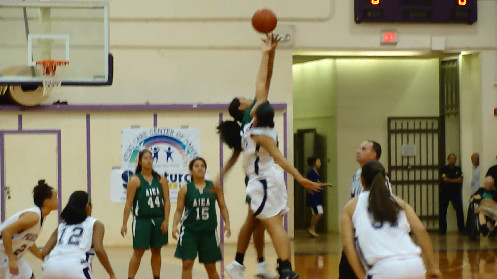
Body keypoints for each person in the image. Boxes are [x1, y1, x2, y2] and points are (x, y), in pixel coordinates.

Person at [218, 101, 323, 279]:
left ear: (256, 116)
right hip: (262, 182)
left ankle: (245, 263)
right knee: (275, 226)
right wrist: (300, 178)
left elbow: (280, 158)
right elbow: (261, 85)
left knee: (260, 223)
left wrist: (299, 178)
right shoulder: (255, 130)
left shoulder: (255, 131)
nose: (251, 104)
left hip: (265, 180)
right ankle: (284, 268)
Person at [223, 33, 280, 279]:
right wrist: (268, 54)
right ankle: (241, 263)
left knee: (257, 220)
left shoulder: (249, 118)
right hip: (261, 175)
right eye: (245, 98)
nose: (249, 96)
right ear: (242, 106)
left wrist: (272, 53)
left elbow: (267, 80)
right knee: (258, 220)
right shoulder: (252, 114)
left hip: (257, 174)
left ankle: (257, 263)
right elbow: (265, 80)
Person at [340, 160, 442, 279]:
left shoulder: (351, 206)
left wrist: (361, 276)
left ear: (362, 181)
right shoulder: (399, 202)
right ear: (385, 180)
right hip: (415, 265)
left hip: (383, 269)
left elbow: (348, 246)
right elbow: (421, 232)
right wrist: (433, 267)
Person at [172, 157, 231, 279]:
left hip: (208, 233)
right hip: (189, 232)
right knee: (187, 264)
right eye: (196, 166)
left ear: (205, 169)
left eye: (202, 166)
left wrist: (227, 223)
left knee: (210, 267)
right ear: (191, 170)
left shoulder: (214, 186)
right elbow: (179, 210)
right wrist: (174, 226)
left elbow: (223, 207)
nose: (200, 168)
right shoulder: (185, 189)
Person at [41, 191, 116, 279]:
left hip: (50, 267)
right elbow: (99, 249)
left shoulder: (62, 226)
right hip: (76, 267)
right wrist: (111, 273)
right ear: (88, 207)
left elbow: (45, 251)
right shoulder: (95, 224)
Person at [339, 140, 385, 279]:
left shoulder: (380, 178)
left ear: (374, 154)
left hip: (370, 237)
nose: (358, 151)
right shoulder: (357, 174)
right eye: (359, 148)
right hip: (356, 234)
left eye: (364, 149)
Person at [121, 149, 170, 279]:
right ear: (140, 161)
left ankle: (156, 277)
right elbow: (128, 203)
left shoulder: (161, 180)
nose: (149, 160)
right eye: (146, 158)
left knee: (157, 250)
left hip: (158, 219)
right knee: (138, 252)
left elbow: (166, 200)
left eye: (150, 158)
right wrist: (124, 223)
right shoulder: (135, 181)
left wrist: (166, 220)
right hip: (142, 220)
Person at [0, 180, 58, 279]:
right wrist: (11, 259)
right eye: (56, 198)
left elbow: (28, 242)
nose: (58, 200)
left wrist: (42, 257)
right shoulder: (33, 216)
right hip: (4, 254)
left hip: (15, 256)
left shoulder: (40, 217)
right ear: (46, 201)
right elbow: (6, 232)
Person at [439, 153, 465, 235]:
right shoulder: (444, 169)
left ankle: (461, 229)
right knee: (443, 211)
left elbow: (460, 180)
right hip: (445, 192)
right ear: (448, 159)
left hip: (455, 192)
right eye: (451, 158)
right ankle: (442, 230)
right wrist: (454, 180)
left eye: (454, 159)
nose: (452, 160)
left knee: (459, 210)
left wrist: (450, 180)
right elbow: (444, 180)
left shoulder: (458, 169)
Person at [306, 156, 324, 238]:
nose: (320, 163)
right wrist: (325, 184)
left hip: (317, 197)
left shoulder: (316, 173)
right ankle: (311, 228)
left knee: (319, 212)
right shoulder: (311, 173)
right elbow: (313, 184)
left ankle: (313, 229)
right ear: (314, 163)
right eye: (318, 161)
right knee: (318, 212)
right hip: (313, 197)